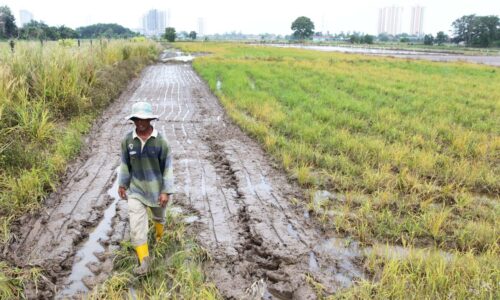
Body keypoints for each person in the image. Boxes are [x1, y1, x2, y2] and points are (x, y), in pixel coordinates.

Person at [118, 101, 174, 275]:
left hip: (157, 191)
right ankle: (144, 262)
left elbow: (168, 167)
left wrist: (165, 191)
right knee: (136, 226)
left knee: (159, 219)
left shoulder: (161, 141)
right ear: (133, 120)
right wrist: (122, 184)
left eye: (144, 119)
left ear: (150, 120)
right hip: (136, 191)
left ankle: (159, 239)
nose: (140, 123)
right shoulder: (128, 140)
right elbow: (125, 164)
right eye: (137, 119)